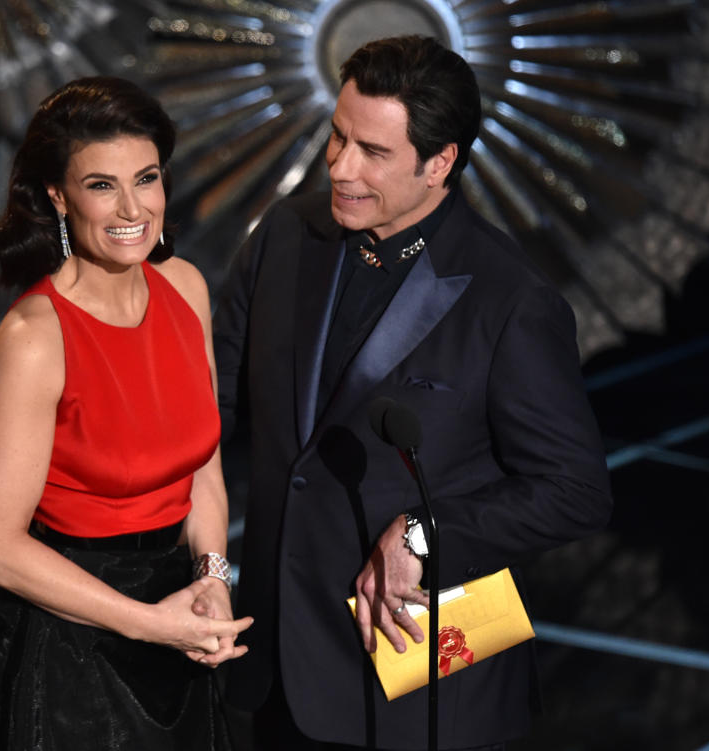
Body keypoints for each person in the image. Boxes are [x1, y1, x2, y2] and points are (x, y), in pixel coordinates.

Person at [213, 36, 613, 750]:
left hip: (422, 693)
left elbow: (575, 490)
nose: (340, 166)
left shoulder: (509, 299)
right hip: (277, 666)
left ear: (440, 163)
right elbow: (211, 411)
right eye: (338, 137)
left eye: (373, 151)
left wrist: (424, 532)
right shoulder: (284, 236)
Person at [0, 76, 252, 751]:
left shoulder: (185, 287)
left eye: (147, 178)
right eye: (102, 185)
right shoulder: (35, 336)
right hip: (73, 638)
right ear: (58, 196)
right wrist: (147, 622)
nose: (132, 207)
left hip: (179, 620)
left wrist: (211, 579)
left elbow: (204, 472)